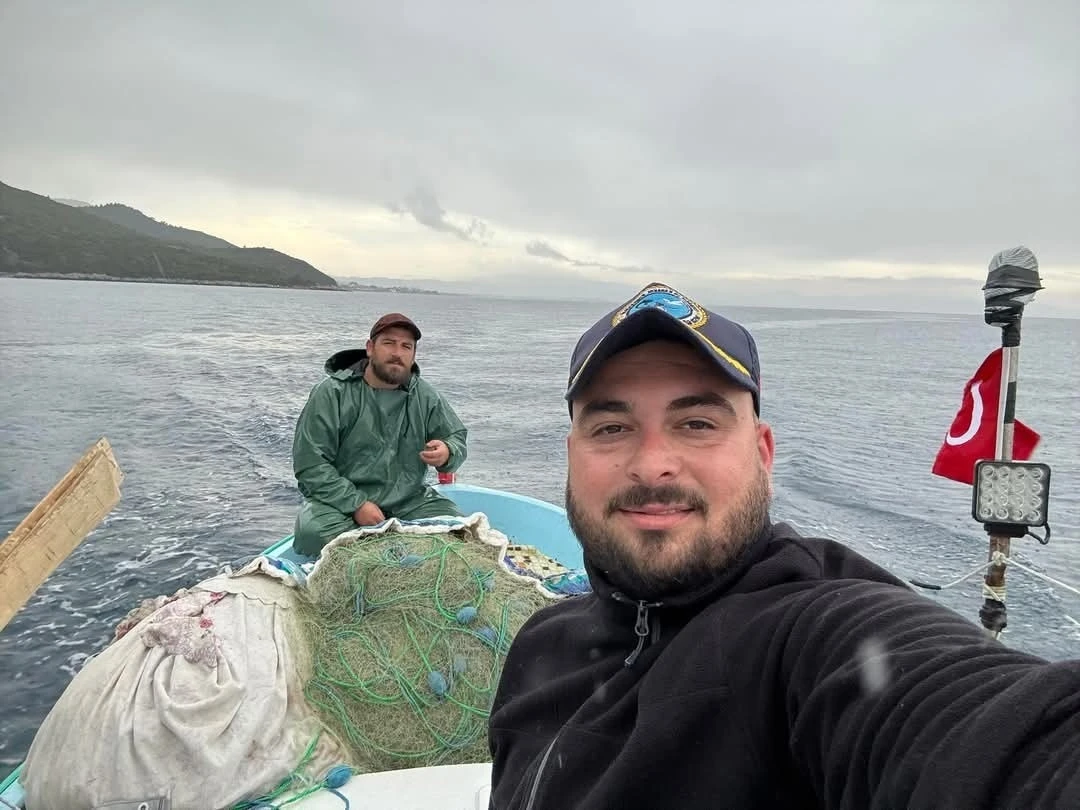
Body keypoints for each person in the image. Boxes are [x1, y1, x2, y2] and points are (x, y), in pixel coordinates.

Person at [487, 281, 1080, 809]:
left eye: (697, 424)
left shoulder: (811, 637)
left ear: (763, 455)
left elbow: (997, 738)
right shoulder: (540, 647)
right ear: (571, 455)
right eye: (611, 427)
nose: (652, 465)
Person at [291, 312, 468, 556]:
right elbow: (310, 464)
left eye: (406, 346)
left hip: (409, 502)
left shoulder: (425, 396)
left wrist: (448, 451)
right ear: (370, 348)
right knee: (315, 534)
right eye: (389, 343)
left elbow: (456, 438)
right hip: (339, 503)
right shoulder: (332, 393)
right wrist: (357, 504)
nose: (397, 352)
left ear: (413, 355)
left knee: (458, 532)